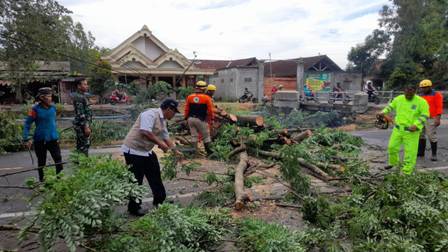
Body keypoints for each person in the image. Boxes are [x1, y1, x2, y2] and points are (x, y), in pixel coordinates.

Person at [122, 98, 181, 216]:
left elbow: (165, 136)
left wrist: (175, 150)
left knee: (155, 175)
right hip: (133, 150)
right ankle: (134, 208)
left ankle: (160, 201)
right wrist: (161, 144)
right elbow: (145, 131)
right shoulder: (149, 114)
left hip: (146, 151)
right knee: (136, 180)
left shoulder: (163, 120)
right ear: (168, 109)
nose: (174, 115)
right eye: (174, 112)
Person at [378, 84, 429, 175]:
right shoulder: (399, 99)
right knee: (392, 147)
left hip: (411, 131)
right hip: (398, 129)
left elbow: (425, 115)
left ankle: (406, 171)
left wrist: (416, 125)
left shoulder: (421, 102)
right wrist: (383, 112)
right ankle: (394, 163)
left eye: (411, 94)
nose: (408, 95)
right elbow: (390, 106)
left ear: (415, 91)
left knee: (410, 152)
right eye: (407, 93)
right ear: (404, 91)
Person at [23, 87, 63, 182]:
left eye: (51, 96)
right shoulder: (35, 110)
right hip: (40, 140)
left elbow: (52, 123)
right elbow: (27, 124)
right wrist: (26, 138)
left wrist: (57, 135)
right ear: (41, 97)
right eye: (48, 96)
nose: (50, 98)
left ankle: (60, 180)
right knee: (41, 162)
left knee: (58, 160)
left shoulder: (53, 108)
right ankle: (42, 181)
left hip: (53, 139)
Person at [185, 81, 215, 156]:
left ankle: (194, 153)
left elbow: (186, 109)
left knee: (194, 136)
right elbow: (210, 110)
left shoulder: (190, 97)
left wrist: (185, 118)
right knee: (206, 136)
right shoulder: (207, 98)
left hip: (190, 119)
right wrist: (212, 119)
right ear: (204, 89)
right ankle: (210, 153)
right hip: (201, 119)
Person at [418, 79, 443, 161]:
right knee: (420, 135)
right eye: (422, 87)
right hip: (421, 118)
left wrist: (438, 118)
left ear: (429, 87)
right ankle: (421, 152)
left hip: (431, 118)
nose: (423, 89)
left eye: (425, 87)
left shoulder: (436, 95)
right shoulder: (420, 95)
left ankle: (434, 154)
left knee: (431, 136)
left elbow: (439, 107)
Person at [72, 78, 92, 156]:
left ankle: (80, 163)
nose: (87, 86)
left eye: (87, 84)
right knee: (84, 146)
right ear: (79, 86)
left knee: (81, 145)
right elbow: (81, 114)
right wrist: (86, 127)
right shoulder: (78, 97)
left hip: (83, 125)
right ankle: (84, 164)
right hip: (82, 125)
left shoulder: (83, 95)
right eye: (84, 84)